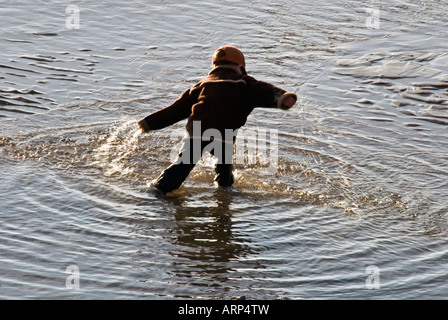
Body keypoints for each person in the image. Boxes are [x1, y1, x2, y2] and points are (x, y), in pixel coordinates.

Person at [137, 45, 297, 195]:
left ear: (214, 66)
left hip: (197, 132)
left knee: (181, 167)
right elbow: (265, 91)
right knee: (224, 169)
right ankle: (225, 191)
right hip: (224, 135)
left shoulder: (202, 85)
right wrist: (282, 98)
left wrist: (149, 123)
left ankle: (158, 191)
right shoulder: (244, 82)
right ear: (240, 67)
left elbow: (176, 110)